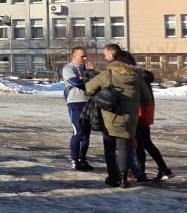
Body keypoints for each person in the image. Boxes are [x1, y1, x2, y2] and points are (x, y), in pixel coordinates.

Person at [85, 44, 153, 188]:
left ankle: (113, 177)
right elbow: (146, 100)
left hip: (110, 117)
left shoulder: (107, 74)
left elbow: (88, 90)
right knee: (124, 147)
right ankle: (124, 178)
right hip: (130, 119)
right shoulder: (137, 77)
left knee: (109, 148)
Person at [60, 47, 95, 171]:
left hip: (88, 102)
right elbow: (77, 83)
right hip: (75, 102)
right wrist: (89, 78)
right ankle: (74, 159)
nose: (85, 58)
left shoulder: (86, 68)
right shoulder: (68, 68)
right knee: (78, 132)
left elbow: (97, 81)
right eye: (82, 56)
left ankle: (82, 159)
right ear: (74, 56)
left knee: (86, 134)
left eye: (85, 56)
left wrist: (91, 73)